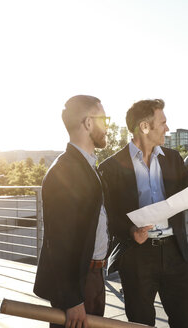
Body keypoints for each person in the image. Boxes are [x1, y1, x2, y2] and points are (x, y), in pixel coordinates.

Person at [99, 99, 188, 327]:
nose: (167, 128)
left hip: (175, 253)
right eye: (163, 122)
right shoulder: (110, 168)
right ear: (145, 126)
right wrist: (130, 230)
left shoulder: (173, 158)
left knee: (186, 322)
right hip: (136, 256)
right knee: (141, 323)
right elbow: (108, 217)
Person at [34, 95, 112, 328]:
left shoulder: (87, 166)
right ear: (88, 123)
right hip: (78, 286)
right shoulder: (65, 171)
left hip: (93, 277)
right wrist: (72, 299)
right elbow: (59, 242)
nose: (107, 126)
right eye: (104, 119)